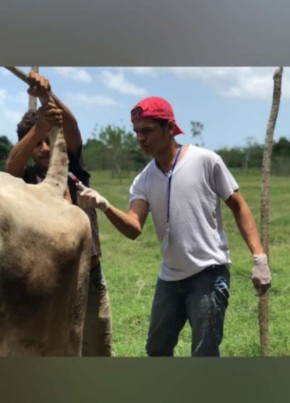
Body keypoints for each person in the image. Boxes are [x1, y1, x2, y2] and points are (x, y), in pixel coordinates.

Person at [76, 96, 271, 357]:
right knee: (156, 348)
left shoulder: (205, 161)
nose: (140, 138)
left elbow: (239, 205)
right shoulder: (143, 179)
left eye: (147, 131)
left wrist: (259, 257)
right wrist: (104, 205)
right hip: (170, 278)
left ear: (169, 128)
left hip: (208, 273)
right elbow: (134, 227)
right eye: (136, 132)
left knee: (204, 353)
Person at [5, 71, 113, 357]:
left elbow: (73, 127)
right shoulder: (24, 179)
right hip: (42, 279)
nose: (44, 148)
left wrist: (47, 95)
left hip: (88, 273)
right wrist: (39, 127)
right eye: (37, 143)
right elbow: (10, 168)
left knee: (97, 346)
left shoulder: (73, 171)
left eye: (49, 140)